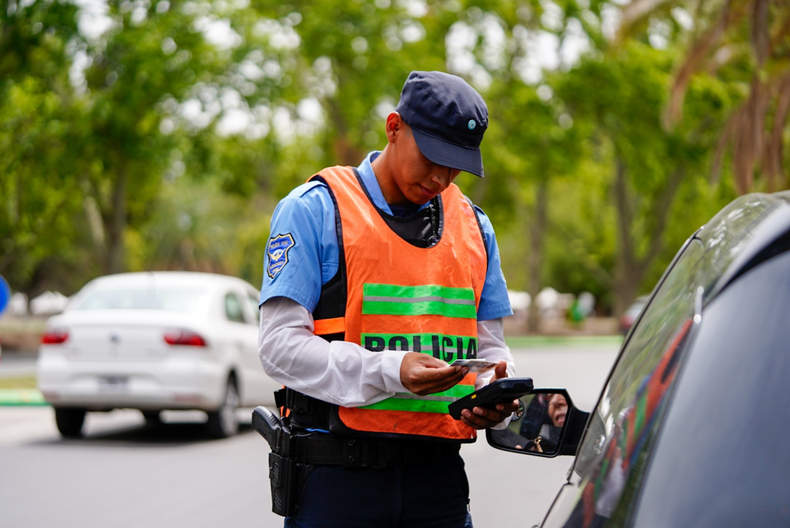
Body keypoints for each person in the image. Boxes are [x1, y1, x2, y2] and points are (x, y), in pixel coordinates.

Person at [258, 70, 516, 528]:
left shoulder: (475, 228)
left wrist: (492, 394)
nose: (441, 177)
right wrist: (392, 370)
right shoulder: (315, 210)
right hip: (337, 482)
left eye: (456, 165)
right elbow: (278, 349)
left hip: (439, 485)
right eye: (432, 156)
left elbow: (490, 352)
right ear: (394, 128)